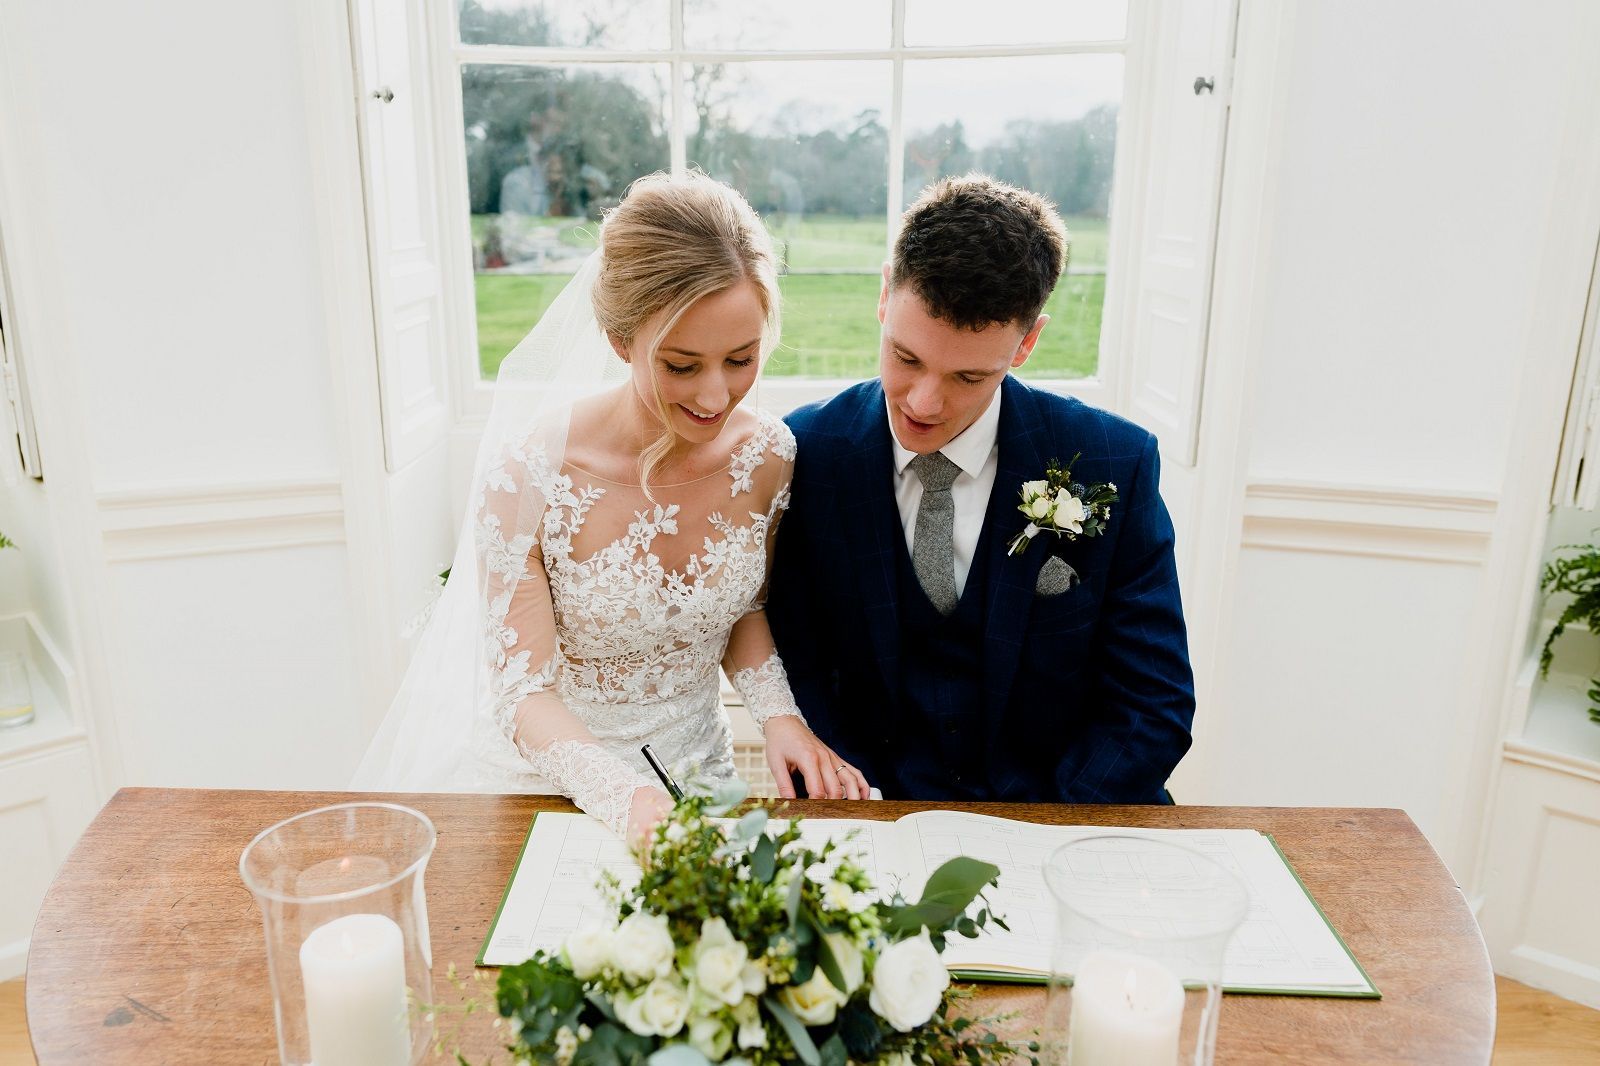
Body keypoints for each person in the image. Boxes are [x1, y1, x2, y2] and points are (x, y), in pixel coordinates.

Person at [355, 172, 870, 845]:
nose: (716, 397)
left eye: (740, 359)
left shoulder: (768, 454)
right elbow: (523, 693)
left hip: (698, 780)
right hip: (548, 787)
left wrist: (780, 717)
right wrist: (628, 802)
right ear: (619, 337)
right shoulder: (528, 475)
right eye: (682, 365)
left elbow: (742, 608)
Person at [768, 175, 1194, 804]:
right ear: (885, 294)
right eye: (906, 357)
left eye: (968, 375)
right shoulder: (807, 455)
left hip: (1066, 820)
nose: (924, 401)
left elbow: (1152, 701)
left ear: (1028, 341)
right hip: (870, 821)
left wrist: (1051, 835)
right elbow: (801, 670)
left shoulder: (1114, 464)